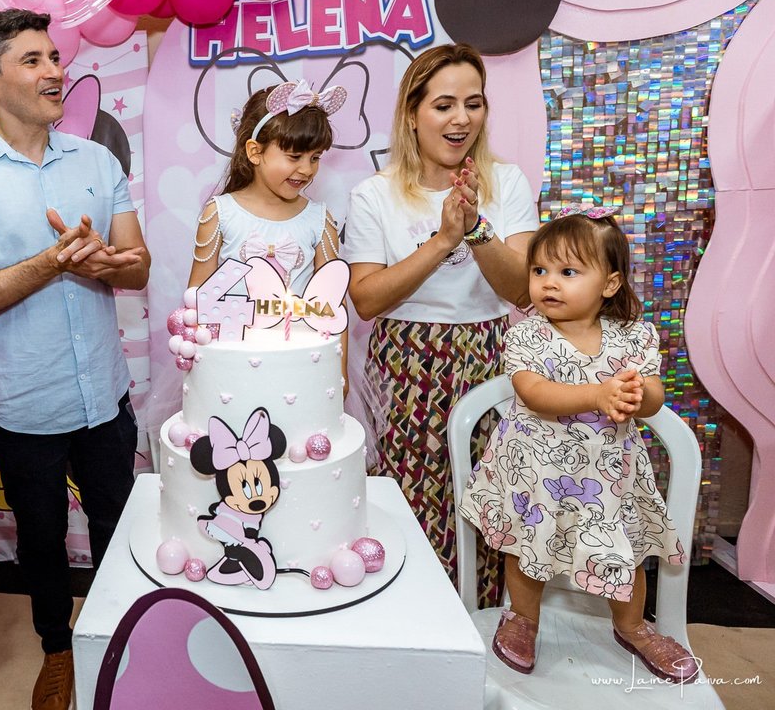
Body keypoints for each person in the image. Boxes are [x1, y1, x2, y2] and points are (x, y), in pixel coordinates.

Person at [0, 8, 150, 710]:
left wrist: (104, 261)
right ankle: (57, 649)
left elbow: (137, 269)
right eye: (33, 61)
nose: (55, 71)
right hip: (21, 403)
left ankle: (121, 643)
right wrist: (52, 263)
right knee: (42, 539)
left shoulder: (98, 160)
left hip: (104, 395)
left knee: (118, 524)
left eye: (54, 56)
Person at [458, 208, 695, 683]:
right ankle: (523, 618)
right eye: (540, 270)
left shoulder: (634, 335)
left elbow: (654, 397)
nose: (548, 282)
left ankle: (632, 626)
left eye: (568, 272)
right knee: (526, 552)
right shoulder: (527, 334)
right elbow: (533, 392)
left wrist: (637, 394)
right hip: (537, 476)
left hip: (610, 479)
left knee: (626, 554)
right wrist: (597, 394)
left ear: (608, 284)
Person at [344, 43, 539, 605]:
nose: (461, 119)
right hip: (405, 363)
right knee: (412, 497)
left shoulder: (508, 182)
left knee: (488, 499)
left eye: (474, 104)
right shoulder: (374, 194)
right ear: (412, 112)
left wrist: (476, 230)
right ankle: (413, 617)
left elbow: (521, 288)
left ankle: (483, 622)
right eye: (445, 105)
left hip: (489, 355)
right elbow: (366, 299)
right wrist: (443, 240)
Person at [188, 80, 346, 297]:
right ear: (255, 152)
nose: (307, 169)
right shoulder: (220, 214)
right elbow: (198, 299)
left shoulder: (319, 221)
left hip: (298, 331)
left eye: (315, 157)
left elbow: (332, 305)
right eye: (295, 157)